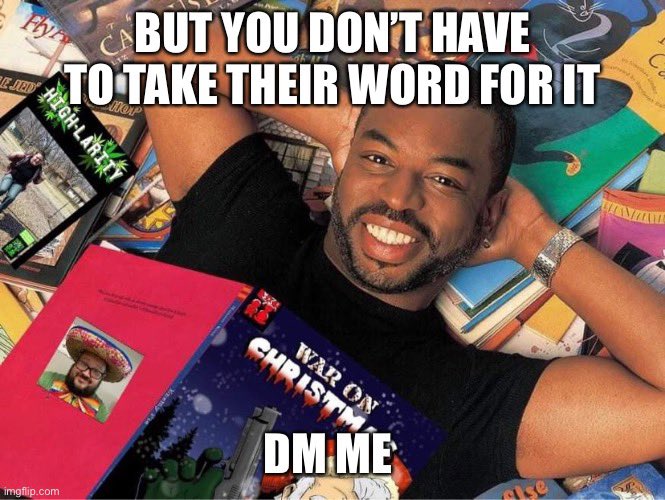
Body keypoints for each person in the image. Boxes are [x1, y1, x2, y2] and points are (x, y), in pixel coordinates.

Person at [137, 23, 665, 498]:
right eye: (378, 159)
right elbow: (176, 52)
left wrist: (535, 238)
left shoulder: (462, 408)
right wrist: (344, 124)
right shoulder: (246, 230)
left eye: (443, 180)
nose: (398, 196)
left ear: (486, 215)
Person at [38, 325, 133, 423]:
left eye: (96, 371)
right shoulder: (46, 379)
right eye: (83, 363)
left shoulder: (101, 413)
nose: (86, 374)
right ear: (76, 362)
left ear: (102, 378)